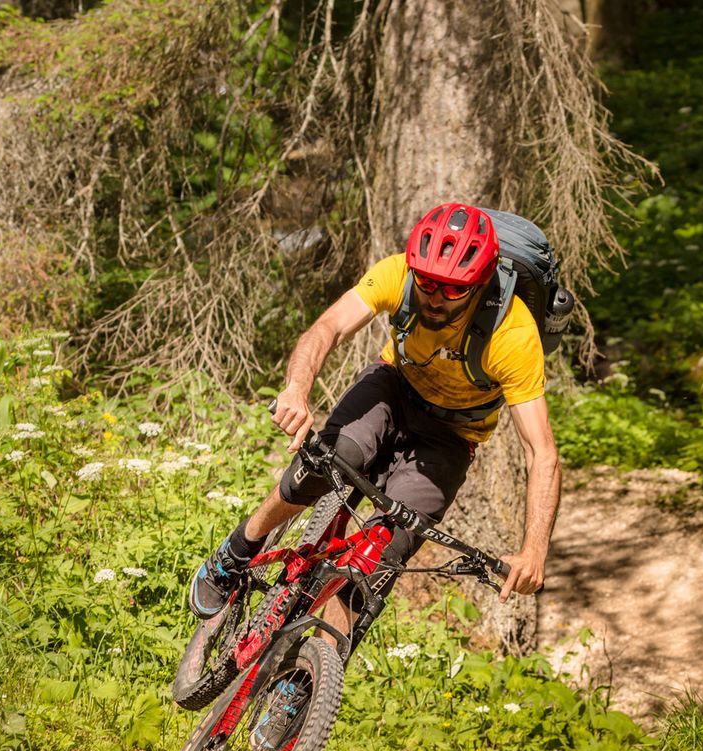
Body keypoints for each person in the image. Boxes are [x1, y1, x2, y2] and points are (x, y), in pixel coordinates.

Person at [188, 202, 560, 634]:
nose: (435, 297)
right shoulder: (398, 274)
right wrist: (297, 387)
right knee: (327, 462)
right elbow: (329, 328)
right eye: (428, 282)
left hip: (452, 434)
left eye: (454, 289)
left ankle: (310, 679)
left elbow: (541, 453)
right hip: (392, 390)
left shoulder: (512, 335)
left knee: (377, 558)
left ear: (480, 283)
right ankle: (236, 551)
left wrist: (534, 550)